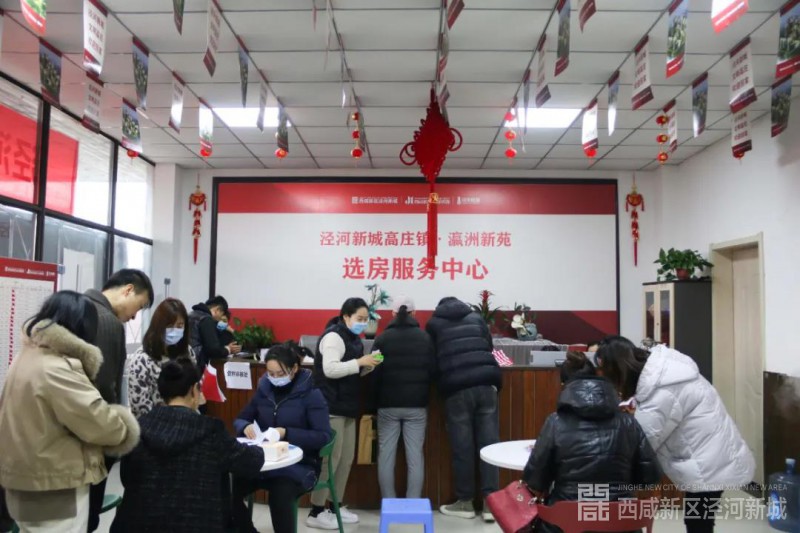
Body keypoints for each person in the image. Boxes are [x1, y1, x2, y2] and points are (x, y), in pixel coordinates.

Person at [0, 291, 140, 533]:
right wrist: (125, 426)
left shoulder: (26, 357)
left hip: (25, 480)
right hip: (55, 486)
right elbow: (99, 422)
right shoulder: (58, 369)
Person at [595, 336, 755, 533]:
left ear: (619, 369)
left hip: (708, 462)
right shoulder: (664, 371)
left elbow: (644, 442)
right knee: (699, 520)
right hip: (714, 452)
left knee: (698, 522)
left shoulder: (662, 391)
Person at [111, 357, 266, 533]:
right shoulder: (211, 430)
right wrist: (261, 449)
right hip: (198, 523)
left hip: (139, 525)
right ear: (194, 390)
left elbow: (126, 477)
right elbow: (250, 461)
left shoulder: (138, 427)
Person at [522, 351, 662, 533]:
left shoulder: (555, 422)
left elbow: (534, 480)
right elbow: (650, 477)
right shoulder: (628, 422)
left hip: (567, 524)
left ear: (564, 386)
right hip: (621, 524)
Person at [231, 342, 332, 533]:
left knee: (280, 494)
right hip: (263, 462)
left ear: (294, 369)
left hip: (300, 465)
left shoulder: (312, 394)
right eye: (271, 373)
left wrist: (286, 432)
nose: (275, 378)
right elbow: (241, 418)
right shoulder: (264, 390)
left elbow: (323, 436)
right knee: (226, 486)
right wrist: (245, 426)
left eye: (280, 373)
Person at [84, 268, 153, 532]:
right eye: (140, 306)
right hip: (92, 437)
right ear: (128, 290)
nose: (135, 316)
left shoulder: (81, 309)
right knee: (86, 517)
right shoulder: (107, 321)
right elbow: (104, 386)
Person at [307, 297, 382, 529]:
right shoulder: (333, 337)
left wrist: (366, 366)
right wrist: (359, 362)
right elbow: (330, 369)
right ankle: (316, 511)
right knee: (330, 459)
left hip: (348, 405)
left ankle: (335, 506)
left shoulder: (354, 339)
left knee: (346, 459)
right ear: (346, 317)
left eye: (366, 319)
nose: (363, 323)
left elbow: (349, 370)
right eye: (359, 318)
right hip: (330, 406)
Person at [426, 296, 502, 522]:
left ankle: (465, 502)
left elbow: (431, 358)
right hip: (486, 384)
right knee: (490, 446)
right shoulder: (477, 318)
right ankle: (491, 505)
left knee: (463, 447)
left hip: (457, 388)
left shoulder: (434, 324)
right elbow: (488, 347)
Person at [370, 295, 436, 499]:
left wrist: (374, 402)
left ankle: (388, 501)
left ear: (392, 313)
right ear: (414, 313)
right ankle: (413, 502)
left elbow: (374, 371)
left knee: (386, 455)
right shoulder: (425, 339)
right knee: (415, 456)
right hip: (416, 405)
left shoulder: (382, 339)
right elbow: (433, 371)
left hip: (388, 405)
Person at [127, 298, 194, 418]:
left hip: (186, 420)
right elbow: (140, 407)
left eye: (180, 326)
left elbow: (194, 392)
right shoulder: (141, 360)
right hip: (153, 424)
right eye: (170, 326)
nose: (175, 330)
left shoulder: (187, 352)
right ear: (159, 326)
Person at [188, 295, 241, 370]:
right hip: (197, 363)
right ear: (217, 310)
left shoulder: (191, 314)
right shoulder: (207, 319)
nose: (219, 319)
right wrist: (228, 349)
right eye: (221, 314)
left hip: (187, 360)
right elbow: (213, 349)